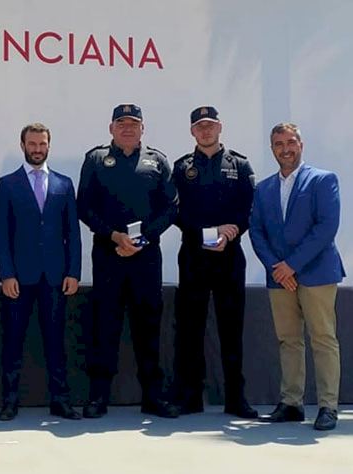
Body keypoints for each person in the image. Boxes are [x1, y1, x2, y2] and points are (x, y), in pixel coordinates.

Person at [76, 104, 179, 419]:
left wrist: (142, 239)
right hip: (109, 255)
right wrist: (114, 236)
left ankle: (153, 397)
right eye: (121, 123)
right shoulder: (96, 159)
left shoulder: (157, 161)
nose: (128, 128)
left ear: (142, 129)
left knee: (148, 326)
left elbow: (171, 207)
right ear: (111, 128)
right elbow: (84, 206)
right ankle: (98, 396)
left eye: (134, 124)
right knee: (104, 326)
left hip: (146, 258)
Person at [249, 122, 344, 431]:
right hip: (280, 277)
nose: (285, 149)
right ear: (272, 149)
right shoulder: (263, 188)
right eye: (279, 144)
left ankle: (328, 406)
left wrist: (291, 265)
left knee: (323, 339)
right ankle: (291, 403)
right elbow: (257, 231)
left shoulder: (323, 180)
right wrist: (277, 267)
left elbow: (326, 227)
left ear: (300, 145)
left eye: (290, 142)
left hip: (316, 274)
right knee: (288, 340)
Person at [170, 106, 258, 419]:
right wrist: (210, 232)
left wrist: (232, 231)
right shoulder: (182, 167)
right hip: (194, 256)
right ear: (192, 131)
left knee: (231, 329)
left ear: (220, 127)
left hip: (229, 257)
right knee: (190, 329)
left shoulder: (240, 164)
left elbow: (250, 208)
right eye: (199, 127)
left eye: (210, 125)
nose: (205, 131)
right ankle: (190, 397)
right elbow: (176, 212)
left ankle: (236, 398)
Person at [0, 123, 82, 421]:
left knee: (56, 342)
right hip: (19, 278)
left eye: (42, 144)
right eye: (32, 144)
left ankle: (60, 400)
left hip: (55, 277)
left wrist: (74, 272)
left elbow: (73, 233)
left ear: (48, 146)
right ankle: (9, 401)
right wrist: (6, 274)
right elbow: (0, 234)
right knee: (13, 341)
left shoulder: (63, 184)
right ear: (23, 146)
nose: (37, 149)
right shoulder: (8, 184)